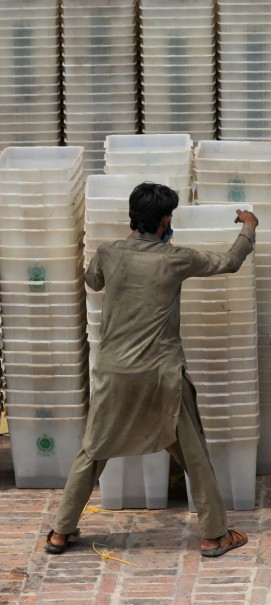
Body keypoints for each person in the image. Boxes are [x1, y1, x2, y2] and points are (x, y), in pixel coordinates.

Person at [45, 182, 258, 558]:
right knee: (194, 455)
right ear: (163, 222)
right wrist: (248, 227)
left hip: (113, 374)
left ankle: (61, 532)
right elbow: (230, 262)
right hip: (161, 376)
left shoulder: (109, 252)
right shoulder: (175, 258)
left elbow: (93, 280)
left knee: (93, 451)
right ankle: (214, 535)